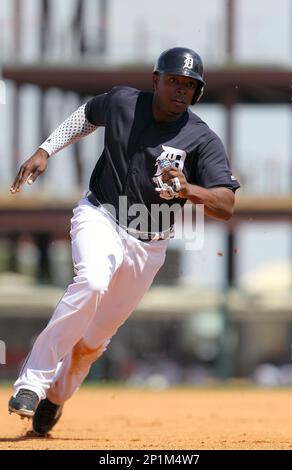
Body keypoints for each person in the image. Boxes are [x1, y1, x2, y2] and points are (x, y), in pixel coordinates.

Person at [8, 47, 240, 436]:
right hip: (101, 215)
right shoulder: (122, 102)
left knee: (93, 341)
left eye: (190, 85)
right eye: (173, 81)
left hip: (149, 244)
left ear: (197, 92)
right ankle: (31, 383)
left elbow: (227, 204)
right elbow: (85, 116)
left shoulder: (202, 139)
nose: (181, 90)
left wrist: (189, 190)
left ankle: (57, 397)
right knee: (92, 281)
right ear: (156, 80)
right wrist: (45, 149)